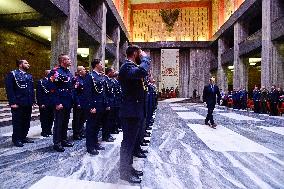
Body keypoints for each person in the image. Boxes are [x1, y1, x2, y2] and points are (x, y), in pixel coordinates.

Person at [119, 45, 151, 183]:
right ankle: (124, 173)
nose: (141, 55)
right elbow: (142, 71)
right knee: (128, 143)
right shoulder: (126, 66)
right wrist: (145, 58)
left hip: (135, 110)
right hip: (130, 112)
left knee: (131, 143)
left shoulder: (132, 66)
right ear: (135, 53)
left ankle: (129, 167)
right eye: (140, 53)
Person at [5, 59, 35, 147]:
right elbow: (9, 90)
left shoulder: (29, 76)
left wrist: (32, 101)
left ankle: (23, 137)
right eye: (26, 63)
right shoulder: (13, 74)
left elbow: (31, 90)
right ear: (20, 65)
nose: (28, 64)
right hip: (18, 103)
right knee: (17, 122)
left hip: (27, 103)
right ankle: (16, 139)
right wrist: (12, 102)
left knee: (26, 121)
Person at [49, 54, 74, 152]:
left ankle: (64, 140)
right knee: (59, 123)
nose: (70, 60)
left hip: (67, 100)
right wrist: (57, 102)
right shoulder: (55, 71)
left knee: (65, 122)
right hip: (60, 101)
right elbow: (51, 88)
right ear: (63, 61)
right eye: (68, 59)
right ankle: (57, 143)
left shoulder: (68, 72)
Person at [85, 59, 109, 155]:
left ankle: (95, 143)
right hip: (94, 106)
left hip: (100, 105)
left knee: (97, 126)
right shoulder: (90, 76)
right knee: (91, 126)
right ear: (96, 65)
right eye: (101, 64)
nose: (102, 65)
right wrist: (91, 107)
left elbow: (103, 93)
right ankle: (90, 146)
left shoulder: (100, 76)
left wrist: (106, 104)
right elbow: (88, 93)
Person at [72, 66, 89, 140]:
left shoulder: (84, 79)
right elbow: (75, 92)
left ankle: (81, 131)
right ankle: (76, 133)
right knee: (77, 119)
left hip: (84, 102)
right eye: (84, 69)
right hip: (79, 102)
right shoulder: (76, 80)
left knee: (83, 118)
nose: (85, 70)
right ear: (80, 71)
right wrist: (77, 103)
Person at [36, 70, 54, 137]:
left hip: (52, 103)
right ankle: (44, 131)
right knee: (44, 118)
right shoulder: (41, 82)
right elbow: (39, 94)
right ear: (46, 74)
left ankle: (49, 130)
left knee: (51, 117)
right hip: (44, 103)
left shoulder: (53, 82)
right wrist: (40, 103)